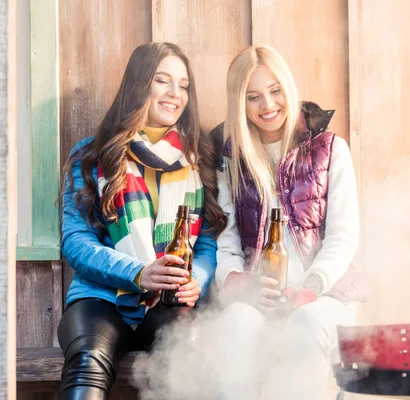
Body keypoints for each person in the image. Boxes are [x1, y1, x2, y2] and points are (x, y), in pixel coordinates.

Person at [58, 42, 226, 399]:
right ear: (139, 84)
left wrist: (197, 279)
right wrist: (138, 273)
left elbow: (208, 242)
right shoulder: (92, 155)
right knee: (89, 361)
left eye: (183, 85)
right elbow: (75, 241)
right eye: (162, 81)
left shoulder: (199, 158)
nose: (174, 94)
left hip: (170, 300)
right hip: (100, 296)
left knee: (188, 359)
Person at [210, 45, 363, 400]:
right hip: (261, 300)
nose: (267, 105)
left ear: (289, 88)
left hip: (325, 297)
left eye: (275, 90)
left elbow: (344, 236)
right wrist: (236, 282)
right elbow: (228, 241)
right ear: (240, 104)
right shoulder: (231, 160)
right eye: (253, 97)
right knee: (234, 324)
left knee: (305, 324)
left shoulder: (330, 149)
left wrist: (311, 287)